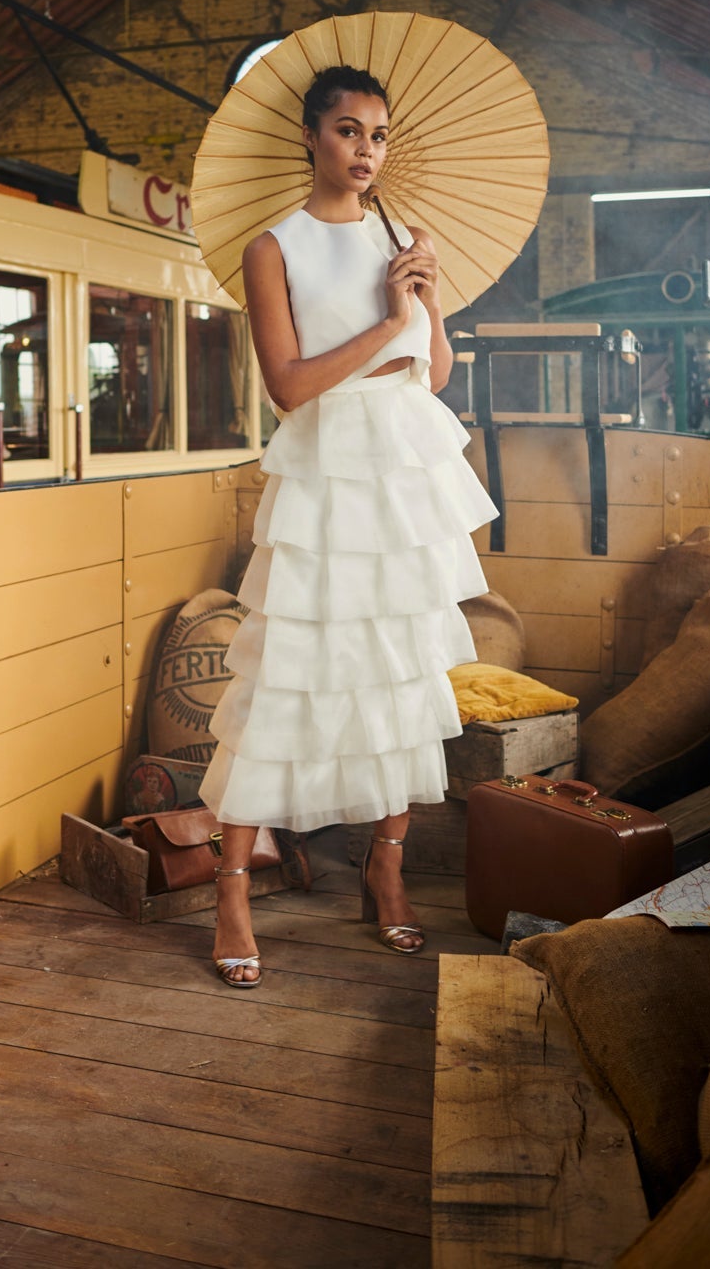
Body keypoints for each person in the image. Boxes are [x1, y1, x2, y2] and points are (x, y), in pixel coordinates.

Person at [198, 64, 498, 985]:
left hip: (407, 466)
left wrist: (428, 302)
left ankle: (386, 868)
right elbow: (288, 387)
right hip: (328, 461)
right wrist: (388, 316)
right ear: (310, 137)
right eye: (346, 131)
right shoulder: (273, 248)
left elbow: (434, 372)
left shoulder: (408, 236)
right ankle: (233, 894)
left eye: (376, 134)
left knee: (398, 665)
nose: (365, 150)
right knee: (288, 664)